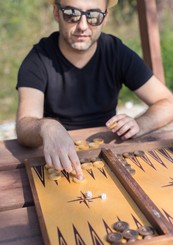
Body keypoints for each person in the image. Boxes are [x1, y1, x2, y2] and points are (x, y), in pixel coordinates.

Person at [16, 0, 173, 180]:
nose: (83, 26)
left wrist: (141, 124)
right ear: (56, 13)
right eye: (71, 14)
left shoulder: (115, 52)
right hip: (58, 161)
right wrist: (48, 126)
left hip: (110, 156)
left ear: (105, 17)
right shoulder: (38, 59)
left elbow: (168, 103)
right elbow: (24, 125)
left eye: (94, 16)